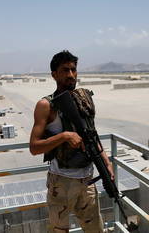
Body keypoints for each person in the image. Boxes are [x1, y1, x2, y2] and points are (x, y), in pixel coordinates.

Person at [29, 50, 114, 233]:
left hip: (87, 180)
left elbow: (92, 135)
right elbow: (34, 147)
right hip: (61, 182)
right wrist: (64, 136)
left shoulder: (82, 100)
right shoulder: (46, 106)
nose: (71, 75)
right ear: (54, 74)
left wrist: (106, 162)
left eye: (73, 70)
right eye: (65, 70)